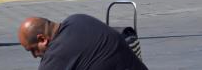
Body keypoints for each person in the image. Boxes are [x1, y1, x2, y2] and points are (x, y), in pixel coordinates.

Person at [18, 15, 148, 70]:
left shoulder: (55, 57)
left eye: (33, 50)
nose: (35, 56)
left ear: (42, 39)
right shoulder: (77, 19)